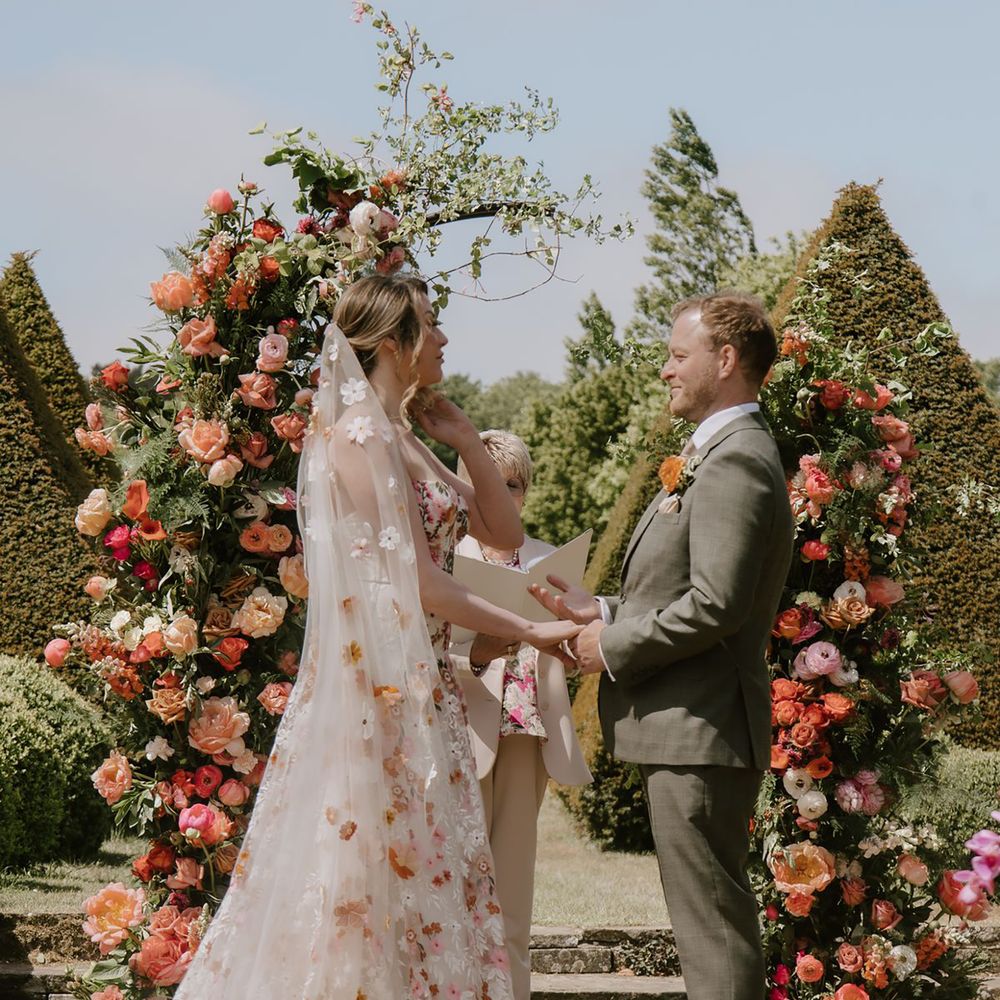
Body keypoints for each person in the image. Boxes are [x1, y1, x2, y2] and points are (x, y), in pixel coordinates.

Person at [174, 274, 580, 1000]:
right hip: (375, 695)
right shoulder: (357, 441)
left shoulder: (401, 435)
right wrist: (530, 630)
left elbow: (502, 532)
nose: (446, 338)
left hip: (420, 691)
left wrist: (461, 437)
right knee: (362, 883)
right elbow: (419, 581)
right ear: (394, 341)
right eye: (432, 323)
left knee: (416, 880)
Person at [531, 292, 794, 1000]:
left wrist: (609, 646)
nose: (665, 372)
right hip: (691, 730)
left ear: (727, 359)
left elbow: (717, 606)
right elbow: (695, 590)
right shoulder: (719, 450)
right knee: (707, 921)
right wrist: (605, 607)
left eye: (679, 356)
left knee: (711, 927)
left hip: (702, 730)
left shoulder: (736, 459)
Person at [449, 431, 592, 1000]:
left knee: (511, 890)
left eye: (513, 486)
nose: (503, 496)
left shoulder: (546, 561)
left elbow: (574, 644)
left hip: (526, 734)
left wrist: (571, 644)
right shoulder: (443, 556)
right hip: (456, 734)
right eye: (490, 485)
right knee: (456, 885)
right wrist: (477, 651)